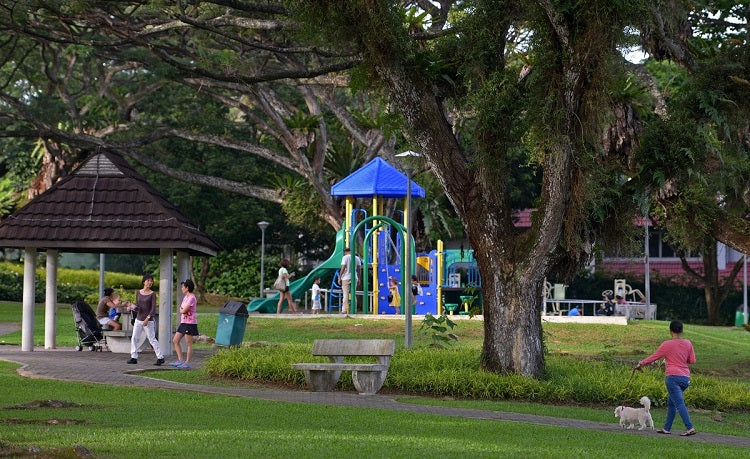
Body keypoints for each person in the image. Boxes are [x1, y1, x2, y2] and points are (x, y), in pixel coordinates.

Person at [635, 320, 697, 436]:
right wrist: (681, 357)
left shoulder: (667, 344)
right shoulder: (688, 343)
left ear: (670, 331)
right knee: (672, 402)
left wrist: (641, 364)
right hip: (685, 378)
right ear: (682, 331)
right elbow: (692, 361)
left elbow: (654, 357)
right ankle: (666, 428)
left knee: (679, 403)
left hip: (673, 378)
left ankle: (690, 428)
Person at [127, 274, 165, 366]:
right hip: (138, 319)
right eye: (148, 280)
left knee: (152, 339)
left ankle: (160, 357)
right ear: (144, 282)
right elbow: (138, 307)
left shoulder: (152, 294)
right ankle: (134, 357)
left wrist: (147, 318)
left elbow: (153, 309)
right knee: (134, 338)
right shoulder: (138, 293)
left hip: (148, 321)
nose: (150, 282)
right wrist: (132, 307)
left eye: (151, 281)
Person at [171, 279, 198, 369]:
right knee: (175, 340)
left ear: (187, 288)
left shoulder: (192, 298)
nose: (182, 288)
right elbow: (181, 309)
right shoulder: (185, 297)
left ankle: (187, 363)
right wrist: (182, 309)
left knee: (188, 344)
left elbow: (183, 310)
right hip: (184, 322)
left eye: (183, 286)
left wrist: (182, 310)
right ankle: (180, 360)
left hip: (190, 323)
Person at [339, 248, 361, 314]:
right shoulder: (357, 258)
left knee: (345, 294)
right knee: (353, 294)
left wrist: (339, 277)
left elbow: (343, 267)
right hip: (354, 277)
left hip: (346, 277)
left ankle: (344, 310)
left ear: (346, 252)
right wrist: (359, 278)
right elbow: (359, 269)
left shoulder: (345, 257)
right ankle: (354, 310)